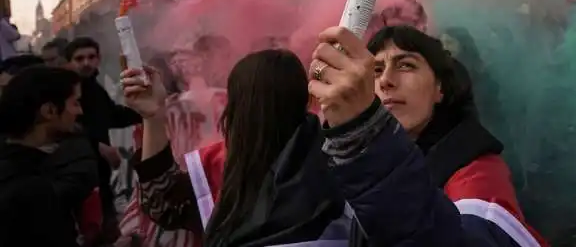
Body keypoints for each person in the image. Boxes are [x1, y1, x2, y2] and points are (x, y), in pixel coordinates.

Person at [310, 24, 548, 247]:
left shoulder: (477, 174)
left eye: (406, 65)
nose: (385, 81)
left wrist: (363, 138)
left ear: (439, 89)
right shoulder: (340, 165)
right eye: (377, 70)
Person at [121, 49, 349, 247]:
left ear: (237, 109)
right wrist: (152, 115)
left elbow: (163, 202)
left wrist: (153, 117)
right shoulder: (342, 156)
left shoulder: (220, 164)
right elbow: (166, 201)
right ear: (305, 100)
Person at [66, 36, 142, 243]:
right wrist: (99, 146)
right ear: (69, 62)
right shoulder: (66, 90)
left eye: (91, 57)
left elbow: (110, 116)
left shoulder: (94, 88)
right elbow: (66, 129)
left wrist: (145, 111)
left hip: (99, 172)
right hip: (81, 175)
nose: (86, 63)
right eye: (79, 58)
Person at [0, 65, 84, 246]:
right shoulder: (30, 188)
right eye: (75, 103)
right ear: (49, 111)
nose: (79, 111)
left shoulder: (17, 168)